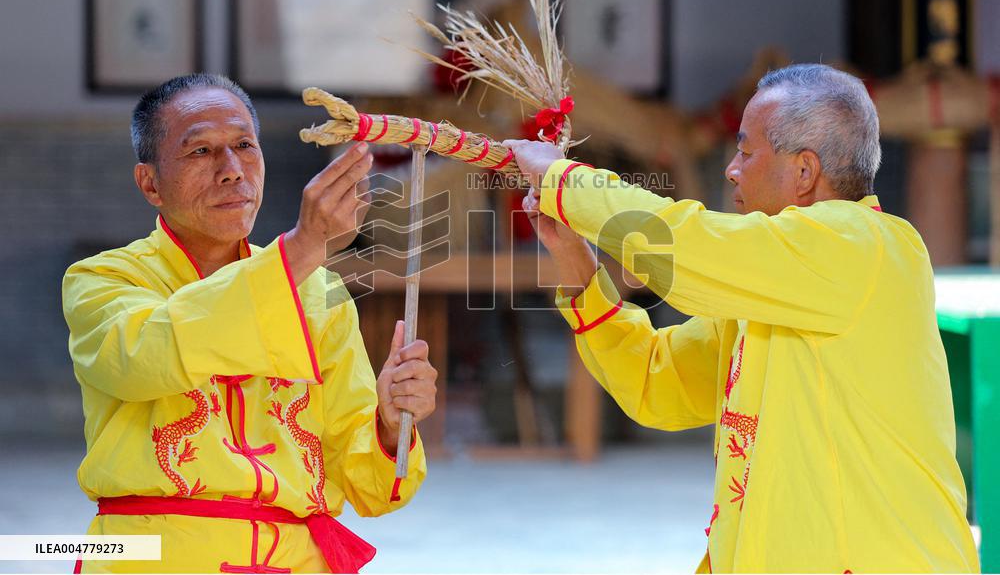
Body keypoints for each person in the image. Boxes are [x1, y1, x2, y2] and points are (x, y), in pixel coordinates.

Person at [504, 64, 979, 573]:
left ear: (804, 172)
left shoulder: (865, 245)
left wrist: (566, 181)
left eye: (747, 152)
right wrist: (575, 259)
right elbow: (658, 384)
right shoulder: (773, 284)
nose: (731, 169)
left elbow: (687, 245)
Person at [62, 74, 437, 573]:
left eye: (244, 146)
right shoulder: (103, 278)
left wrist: (390, 425)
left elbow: (368, 486)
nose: (232, 170)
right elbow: (147, 357)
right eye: (201, 151)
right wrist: (303, 247)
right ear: (150, 183)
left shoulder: (321, 292)